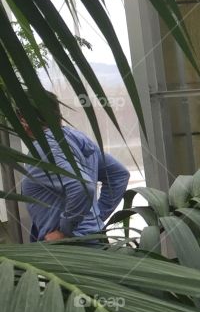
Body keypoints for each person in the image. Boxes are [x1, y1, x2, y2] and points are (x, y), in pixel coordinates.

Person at [18, 95, 130, 242]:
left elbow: (82, 186)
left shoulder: (46, 148)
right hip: (90, 239)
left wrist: (66, 231)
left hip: (71, 248)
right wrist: (94, 218)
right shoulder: (74, 138)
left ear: (24, 120)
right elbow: (118, 174)